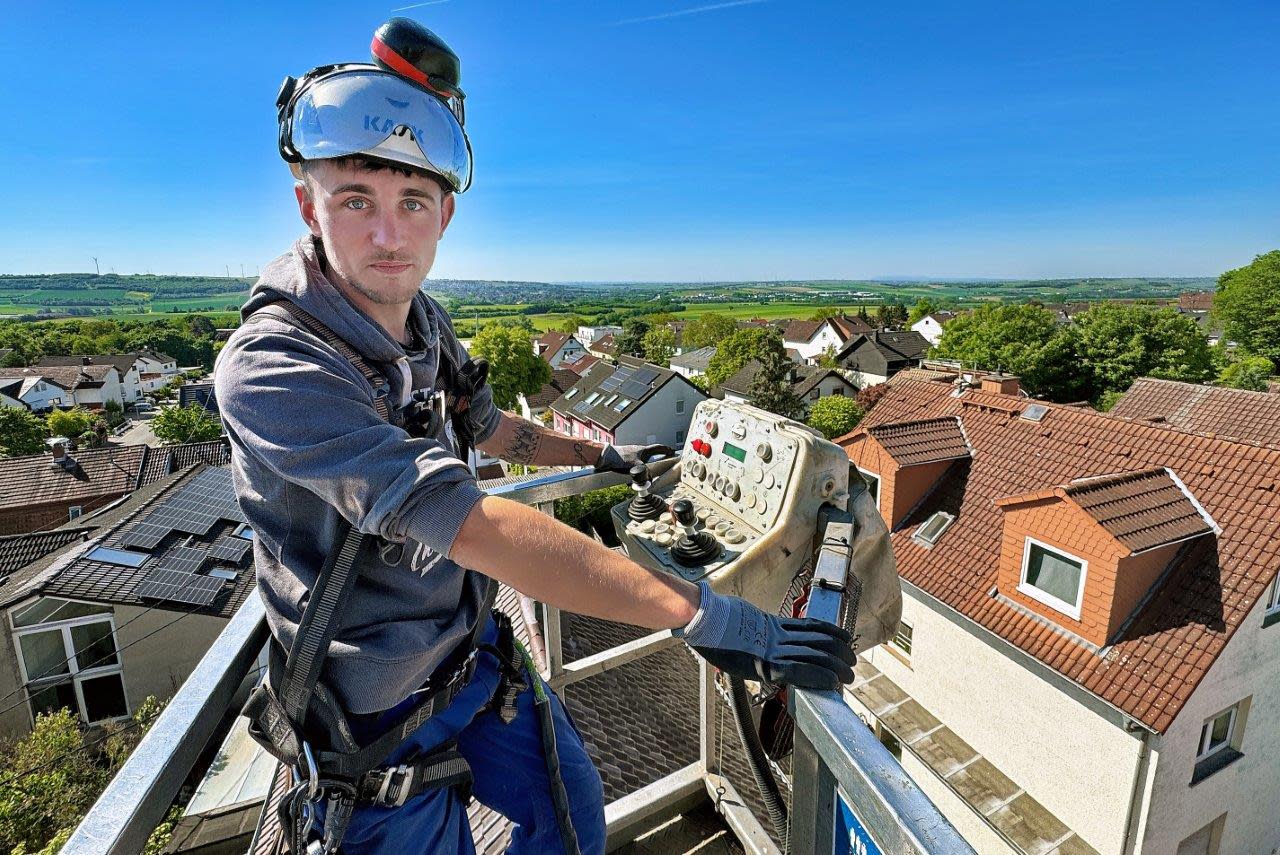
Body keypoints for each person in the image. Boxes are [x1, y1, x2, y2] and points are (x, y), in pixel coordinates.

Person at [214, 18, 854, 855]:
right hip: (369, 719)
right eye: (355, 201)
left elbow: (489, 425)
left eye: (413, 203)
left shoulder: (423, 325)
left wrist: (604, 454)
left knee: (571, 814)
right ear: (309, 203)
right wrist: (701, 614)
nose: (387, 234)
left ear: (444, 213)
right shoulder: (275, 365)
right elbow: (470, 521)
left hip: (469, 658)